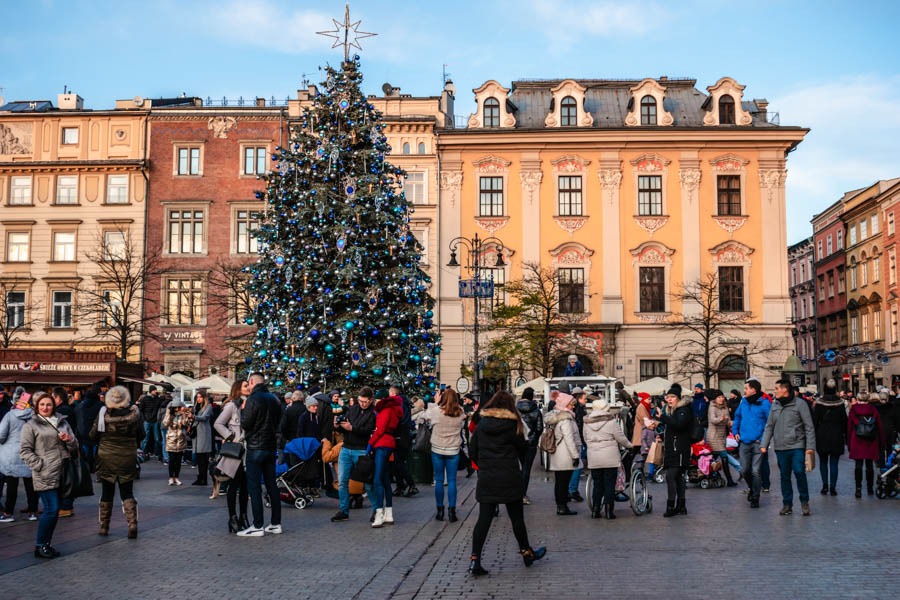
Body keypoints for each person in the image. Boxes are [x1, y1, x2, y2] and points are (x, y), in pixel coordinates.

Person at [468, 391, 545, 576]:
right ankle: (526, 553)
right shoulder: (513, 425)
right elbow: (522, 451)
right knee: (516, 518)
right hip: (509, 476)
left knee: (484, 520)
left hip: (487, 478)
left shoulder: (481, 425)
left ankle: (475, 560)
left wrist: (484, 465)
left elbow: (472, 451)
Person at [19, 391, 79, 559]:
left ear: (54, 406)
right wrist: (39, 465)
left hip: (63, 472)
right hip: (45, 473)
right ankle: (40, 545)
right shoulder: (30, 425)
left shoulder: (62, 422)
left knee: (54, 510)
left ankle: (46, 543)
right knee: (51, 510)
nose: (45, 407)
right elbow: (25, 451)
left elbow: (75, 445)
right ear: (37, 406)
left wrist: (70, 440)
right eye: (42, 404)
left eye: (49, 404)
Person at [89, 386, 143, 537]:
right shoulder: (135, 414)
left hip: (106, 457)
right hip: (127, 457)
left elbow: (93, 435)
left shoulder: (103, 414)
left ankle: (104, 526)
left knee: (107, 492)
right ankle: (132, 524)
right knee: (127, 491)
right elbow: (142, 435)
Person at [760, 380, 816, 516]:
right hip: (780, 447)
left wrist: (810, 447)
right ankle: (787, 504)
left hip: (797, 445)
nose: (774, 391)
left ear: (785, 390)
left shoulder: (800, 404)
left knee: (799, 472)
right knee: (784, 476)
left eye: (776, 388)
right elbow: (769, 426)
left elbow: (809, 427)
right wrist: (764, 444)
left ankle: (804, 501)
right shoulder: (775, 405)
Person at [237, 372, 282, 536]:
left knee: (254, 486)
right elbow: (279, 422)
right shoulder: (274, 399)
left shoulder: (252, 400)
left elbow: (246, 423)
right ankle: (276, 523)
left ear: (252, 381)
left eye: (248, 384)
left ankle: (257, 525)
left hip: (256, 446)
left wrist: (243, 412)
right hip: (270, 446)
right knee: (271, 484)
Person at [331, 386, 377, 523]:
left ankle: (376, 510)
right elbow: (347, 428)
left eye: (365, 401)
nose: (362, 404)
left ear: (371, 400)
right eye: (360, 401)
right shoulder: (353, 409)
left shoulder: (373, 413)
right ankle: (344, 510)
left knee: (368, 483)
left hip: (362, 450)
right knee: (342, 481)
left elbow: (368, 430)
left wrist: (352, 428)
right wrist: (338, 426)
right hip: (346, 448)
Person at [584, 397, 632, 519]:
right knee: (609, 484)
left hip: (594, 457)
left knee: (597, 484)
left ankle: (595, 510)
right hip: (610, 457)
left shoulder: (587, 422)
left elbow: (585, 439)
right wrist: (630, 446)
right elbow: (621, 438)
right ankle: (609, 511)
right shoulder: (611, 422)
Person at [424, 388, 466, 522]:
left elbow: (426, 416)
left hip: (437, 448)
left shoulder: (437, 411)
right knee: (452, 481)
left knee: (439, 481)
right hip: (453, 449)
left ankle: (440, 510)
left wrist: (436, 403)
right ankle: (452, 511)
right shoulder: (460, 412)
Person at [215, 380, 250, 533]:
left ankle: (244, 516)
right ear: (238, 389)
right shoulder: (232, 406)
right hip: (236, 450)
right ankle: (233, 518)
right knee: (233, 485)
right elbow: (218, 423)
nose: (248, 387)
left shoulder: (251, 404)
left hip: (248, 450)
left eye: (249, 385)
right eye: (245, 386)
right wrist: (230, 436)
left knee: (245, 487)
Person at [0, 392, 38, 522]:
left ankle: (8, 513)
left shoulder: (10, 415)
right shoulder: (34, 415)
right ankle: (32, 512)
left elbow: (1, 435)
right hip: (30, 454)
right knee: (31, 485)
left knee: (12, 485)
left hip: (12, 455)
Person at [367, 389, 403, 528]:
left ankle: (379, 514)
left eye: (376, 400)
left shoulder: (385, 410)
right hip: (389, 444)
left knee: (377, 480)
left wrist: (370, 444)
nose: (375, 402)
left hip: (382, 444)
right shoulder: (394, 410)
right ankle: (389, 513)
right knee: (386, 479)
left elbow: (380, 429)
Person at [733, 379, 771, 508]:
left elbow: (769, 423)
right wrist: (735, 431)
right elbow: (737, 417)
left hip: (757, 443)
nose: (744, 391)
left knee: (755, 471)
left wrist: (762, 439)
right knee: (744, 470)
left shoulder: (765, 404)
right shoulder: (743, 402)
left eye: (746, 388)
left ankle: (755, 497)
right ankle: (752, 489)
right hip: (744, 442)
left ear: (753, 390)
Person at [657, 389, 693, 517]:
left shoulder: (683, 410)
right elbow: (674, 429)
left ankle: (671, 506)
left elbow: (679, 425)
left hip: (679, 449)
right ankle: (681, 506)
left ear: (678, 398)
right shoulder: (675, 411)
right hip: (674, 448)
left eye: (672, 397)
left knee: (671, 476)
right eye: (668, 397)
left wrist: (663, 417)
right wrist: (662, 435)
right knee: (678, 477)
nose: (669, 400)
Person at [545, 392, 582, 516]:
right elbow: (569, 438)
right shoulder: (565, 418)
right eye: (571, 404)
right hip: (565, 454)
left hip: (558, 454)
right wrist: (575, 456)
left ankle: (560, 506)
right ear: (565, 404)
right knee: (563, 482)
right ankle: (562, 507)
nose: (573, 407)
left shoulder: (556, 416)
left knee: (560, 481)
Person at [813, 379, 847, 496]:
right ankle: (833, 487)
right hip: (836, 435)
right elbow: (844, 422)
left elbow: (815, 421)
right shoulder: (841, 403)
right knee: (834, 463)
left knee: (823, 462)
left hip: (822, 435)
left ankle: (824, 485)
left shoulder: (819, 403)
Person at [847, 392, 884, 498]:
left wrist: (849, 442)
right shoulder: (873, 409)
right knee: (869, 465)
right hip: (871, 440)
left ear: (858, 399)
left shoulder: (853, 409)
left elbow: (849, 427)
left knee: (858, 465)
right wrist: (882, 441)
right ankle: (870, 488)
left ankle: (858, 488)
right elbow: (879, 426)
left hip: (857, 439)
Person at [391, 385, 418, 498]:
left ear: (393, 393)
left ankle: (411, 485)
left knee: (398, 461)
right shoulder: (404, 401)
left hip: (400, 434)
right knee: (398, 461)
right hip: (404, 434)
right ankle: (400, 486)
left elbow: (398, 418)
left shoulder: (398, 402)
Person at [516, 387, 542, 505]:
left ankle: (519, 492)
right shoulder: (536, 411)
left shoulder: (515, 410)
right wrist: (534, 438)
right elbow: (539, 428)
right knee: (527, 469)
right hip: (530, 444)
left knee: (522, 467)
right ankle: (522, 494)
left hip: (519, 442)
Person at [707, 389, 738, 487]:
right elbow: (712, 420)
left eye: (722, 397)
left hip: (722, 436)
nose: (721, 399)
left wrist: (731, 423)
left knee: (713, 458)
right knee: (723, 456)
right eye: (719, 397)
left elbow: (728, 421)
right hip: (713, 436)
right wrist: (720, 419)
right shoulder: (712, 407)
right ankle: (729, 480)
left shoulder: (725, 407)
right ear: (715, 399)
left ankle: (711, 474)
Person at [162, 398, 192, 486]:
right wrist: (168, 414)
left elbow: (186, 424)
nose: (179, 409)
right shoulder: (170, 415)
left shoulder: (182, 414)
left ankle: (177, 478)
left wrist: (185, 415)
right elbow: (165, 424)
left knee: (178, 461)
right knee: (172, 460)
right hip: (171, 439)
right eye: (178, 407)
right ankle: (171, 478)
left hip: (180, 439)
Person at [75, 386, 103, 472]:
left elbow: (76, 419)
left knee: (85, 451)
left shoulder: (80, 406)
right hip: (96, 433)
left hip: (82, 432)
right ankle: (95, 466)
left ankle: (86, 467)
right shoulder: (101, 406)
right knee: (95, 451)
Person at [567, 387, 588, 503]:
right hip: (579, 441)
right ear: (579, 399)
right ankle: (573, 490)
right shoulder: (579, 409)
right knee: (578, 466)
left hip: (578, 440)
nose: (586, 401)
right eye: (585, 398)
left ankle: (571, 489)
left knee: (576, 465)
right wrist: (584, 442)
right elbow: (580, 427)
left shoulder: (578, 408)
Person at [191, 390, 214, 486]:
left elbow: (204, 418)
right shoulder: (195, 406)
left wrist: (193, 417)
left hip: (204, 433)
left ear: (204, 397)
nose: (198, 399)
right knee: (199, 457)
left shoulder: (208, 406)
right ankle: (200, 477)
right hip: (196, 434)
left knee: (203, 458)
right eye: (197, 397)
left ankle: (203, 478)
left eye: (200, 397)